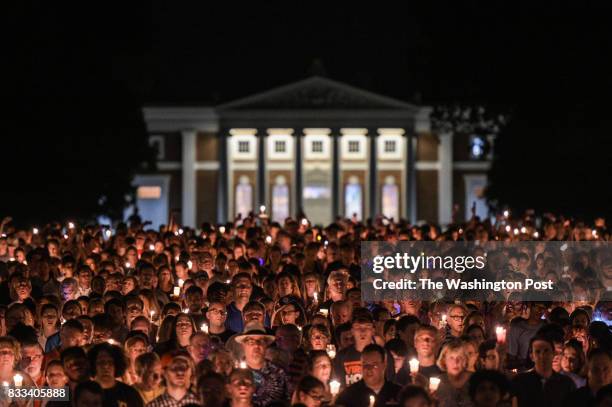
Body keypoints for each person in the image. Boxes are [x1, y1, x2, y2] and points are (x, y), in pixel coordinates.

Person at [511, 334, 576, 407]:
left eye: (546, 351)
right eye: (537, 352)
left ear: (553, 353)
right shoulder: (520, 381)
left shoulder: (567, 384)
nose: (542, 355)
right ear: (532, 356)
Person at [235, 324, 288, 406]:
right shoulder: (234, 373)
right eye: (251, 341)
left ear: (266, 345)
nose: (256, 345)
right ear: (243, 345)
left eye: (261, 341)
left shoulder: (279, 373)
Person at [335, 344, 401, 407]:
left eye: (374, 365)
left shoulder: (398, 393)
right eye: (365, 365)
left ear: (384, 365)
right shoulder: (348, 395)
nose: (369, 369)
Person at [88, 342, 143, 407]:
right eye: (101, 362)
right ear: (93, 365)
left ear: (117, 364)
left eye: (110, 362)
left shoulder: (130, 394)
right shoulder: (84, 394)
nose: (106, 366)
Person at [435, 339, 473, 407]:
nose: (455, 362)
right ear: (444, 360)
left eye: (459, 357)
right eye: (451, 358)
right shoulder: (437, 383)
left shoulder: (475, 379)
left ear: (465, 360)